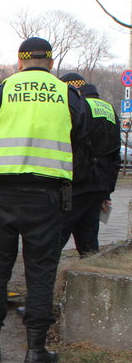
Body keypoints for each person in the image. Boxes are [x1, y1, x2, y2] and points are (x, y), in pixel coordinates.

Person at [0, 37, 86, 363]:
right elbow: (85, 134)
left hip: (2, 196)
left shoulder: (1, 91)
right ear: (51, 61)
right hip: (47, 196)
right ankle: (36, 350)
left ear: (19, 61)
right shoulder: (65, 93)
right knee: (41, 273)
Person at [58, 73, 121, 257]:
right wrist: (107, 191)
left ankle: (42, 282)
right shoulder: (108, 108)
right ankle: (89, 274)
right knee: (88, 241)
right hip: (99, 186)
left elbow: (75, 146)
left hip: (77, 184)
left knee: (55, 238)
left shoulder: (78, 106)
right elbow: (114, 156)